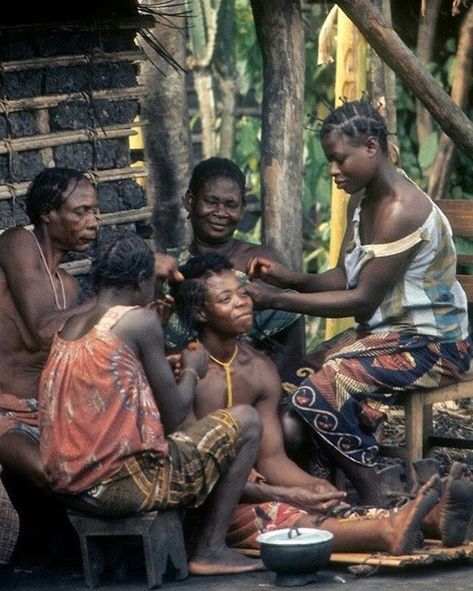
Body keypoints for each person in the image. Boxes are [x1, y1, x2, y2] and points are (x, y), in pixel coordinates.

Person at [245, 99, 472, 505]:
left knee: (319, 391)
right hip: (386, 336)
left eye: (338, 160)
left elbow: (362, 300)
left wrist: (277, 298)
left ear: (371, 147)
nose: (333, 171)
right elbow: (344, 277)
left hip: (433, 346)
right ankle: (335, 489)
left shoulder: (403, 209)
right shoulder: (362, 200)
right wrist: (289, 278)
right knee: (293, 383)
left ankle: (374, 495)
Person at [171, 253, 473, 555]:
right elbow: (196, 475)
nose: (242, 301)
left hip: (257, 487)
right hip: (208, 501)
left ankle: (429, 522)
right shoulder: (182, 370)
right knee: (284, 517)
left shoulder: (258, 369)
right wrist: (286, 493)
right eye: (226, 298)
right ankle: (388, 530)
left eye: (242, 292)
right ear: (199, 312)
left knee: (325, 503)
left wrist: (312, 487)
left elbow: (272, 459)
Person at [38, 231, 265, 576]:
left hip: (70, 488)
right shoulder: (139, 320)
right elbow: (174, 415)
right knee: (246, 421)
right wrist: (192, 370)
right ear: (143, 280)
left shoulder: (70, 326)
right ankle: (211, 549)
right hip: (120, 487)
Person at [0, 167, 100, 490]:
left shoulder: (69, 288)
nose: (94, 221)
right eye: (81, 211)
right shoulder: (18, 242)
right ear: (48, 214)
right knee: (49, 472)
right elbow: (42, 331)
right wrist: (111, 298)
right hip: (5, 412)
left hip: (45, 415)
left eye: (96, 211)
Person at [164, 157, 306, 377]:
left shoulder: (260, 262)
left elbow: (291, 347)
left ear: (242, 208)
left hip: (254, 384)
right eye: (211, 201)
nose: (220, 212)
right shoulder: (169, 266)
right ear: (190, 201)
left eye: (231, 205)